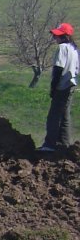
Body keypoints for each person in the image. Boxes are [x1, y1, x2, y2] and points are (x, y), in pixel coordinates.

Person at [39, 23, 78, 153]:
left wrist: (53, 87)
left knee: (53, 116)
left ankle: (50, 145)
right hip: (71, 84)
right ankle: (64, 144)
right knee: (65, 115)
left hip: (62, 85)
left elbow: (58, 68)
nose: (55, 37)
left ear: (64, 36)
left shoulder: (62, 48)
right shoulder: (74, 48)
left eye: (57, 35)